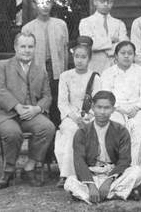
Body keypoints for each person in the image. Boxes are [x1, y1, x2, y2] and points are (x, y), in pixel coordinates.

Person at [0, 32, 55, 188]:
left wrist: (37, 108)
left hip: (29, 114)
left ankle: (29, 165)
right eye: (23, 46)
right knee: (12, 132)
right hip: (3, 114)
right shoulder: (1, 65)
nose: (26, 50)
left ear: (35, 48)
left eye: (30, 46)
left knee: (47, 127)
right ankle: (8, 170)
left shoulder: (40, 70)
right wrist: (16, 106)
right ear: (15, 47)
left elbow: (47, 96)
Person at [63, 90, 141, 204]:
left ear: (113, 109)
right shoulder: (82, 132)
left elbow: (125, 160)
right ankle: (115, 194)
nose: (102, 112)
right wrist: (91, 185)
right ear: (92, 107)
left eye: (107, 108)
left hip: (113, 174)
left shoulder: (121, 131)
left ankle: (93, 196)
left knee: (137, 172)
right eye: (99, 107)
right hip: (92, 175)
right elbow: (79, 161)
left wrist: (109, 181)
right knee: (70, 182)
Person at [100, 41, 141, 170]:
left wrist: (137, 107)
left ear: (134, 56)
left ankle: (137, 167)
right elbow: (106, 94)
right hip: (115, 109)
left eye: (130, 53)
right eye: (123, 53)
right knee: (115, 127)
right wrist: (119, 108)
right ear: (116, 56)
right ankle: (116, 166)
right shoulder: (108, 73)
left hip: (137, 108)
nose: (126, 56)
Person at [55, 36, 102, 187]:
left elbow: (98, 101)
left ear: (89, 59)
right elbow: (62, 102)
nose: (79, 60)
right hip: (71, 116)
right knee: (71, 130)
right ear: (72, 57)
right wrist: (75, 118)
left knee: (96, 129)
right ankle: (66, 174)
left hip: (90, 115)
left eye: (83, 57)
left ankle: (89, 171)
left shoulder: (95, 77)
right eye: (76, 57)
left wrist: (89, 116)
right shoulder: (65, 76)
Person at [22, 0, 69, 124]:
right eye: (41, 2)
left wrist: (64, 73)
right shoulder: (28, 28)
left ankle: (57, 142)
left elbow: (65, 51)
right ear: (34, 5)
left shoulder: (61, 25)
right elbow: (25, 55)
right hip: (37, 73)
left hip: (57, 72)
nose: (45, 6)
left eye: (48, 2)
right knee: (40, 107)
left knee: (57, 106)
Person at [79, 0, 128, 74]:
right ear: (95, 2)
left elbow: (123, 46)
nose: (105, 4)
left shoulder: (119, 23)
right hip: (95, 68)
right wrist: (111, 41)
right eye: (102, 1)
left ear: (112, 3)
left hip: (115, 69)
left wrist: (101, 44)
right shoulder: (86, 22)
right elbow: (90, 45)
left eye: (108, 1)